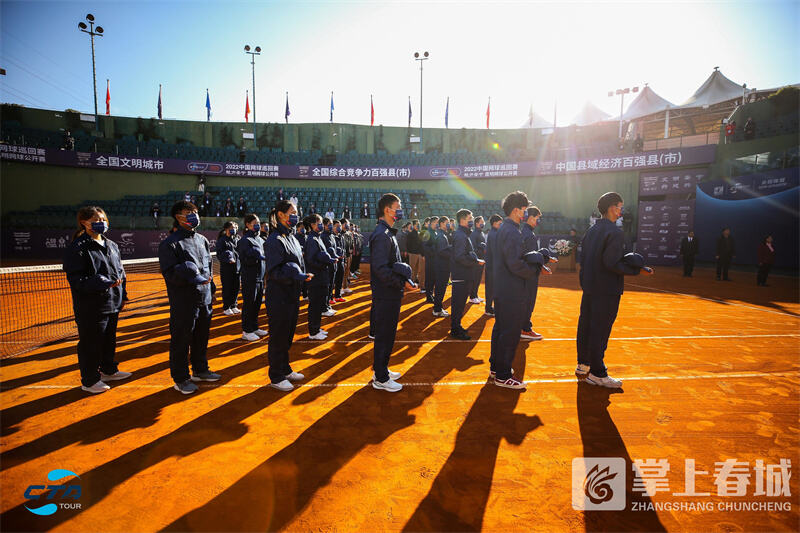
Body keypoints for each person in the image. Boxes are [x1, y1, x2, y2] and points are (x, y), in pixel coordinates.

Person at [576, 192, 653, 388]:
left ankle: (583, 364)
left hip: (590, 287)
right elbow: (611, 262)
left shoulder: (591, 231)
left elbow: (583, 261)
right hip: (607, 289)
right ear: (612, 208)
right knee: (600, 330)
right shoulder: (615, 232)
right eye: (620, 207)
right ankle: (598, 373)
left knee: (586, 326)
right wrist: (636, 270)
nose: (621, 211)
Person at [63, 206, 131, 394]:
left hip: (112, 302)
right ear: (84, 223)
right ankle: (90, 380)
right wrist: (99, 282)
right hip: (91, 306)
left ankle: (108, 370)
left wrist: (123, 295)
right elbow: (76, 279)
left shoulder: (112, 245)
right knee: (90, 344)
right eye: (96, 220)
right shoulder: (78, 248)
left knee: (109, 340)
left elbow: (121, 272)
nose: (101, 223)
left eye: (103, 219)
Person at [158, 200, 221, 394]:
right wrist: (190, 277)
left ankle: (200, 370)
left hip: (204, 299)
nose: (194, 216)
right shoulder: (170, 243)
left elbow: (208, 267)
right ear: (178, 217)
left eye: (195, 212)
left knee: (201, 337)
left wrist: (212, 290)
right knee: (181, 340)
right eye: (189, 212)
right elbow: (169, 273)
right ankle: (181, 378)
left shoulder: (202, 240)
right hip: (184, 300)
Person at [490, 191, 542, 389]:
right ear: (515, 210)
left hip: (503, 288)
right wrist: (534, 269)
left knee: (501, 329)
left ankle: (496, 368)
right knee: (510, 332)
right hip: (511, 290)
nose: (525, 213)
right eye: (523, 209)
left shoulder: (505, 229)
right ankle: (503, 375)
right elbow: (515, 264)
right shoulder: (512, 231)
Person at [263, 200, 312, 391]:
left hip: (292, 294)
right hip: (279, 296)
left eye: (296, 212)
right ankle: (276, 376)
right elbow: (274, 272)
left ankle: (285, 368)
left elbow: (298, 264)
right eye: (292, 212)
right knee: (278, 336)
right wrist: (294, 275)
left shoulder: (291, 237)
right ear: (281, 215)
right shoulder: (274, 240)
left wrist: (301, 277)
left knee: (288, 334)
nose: (295, 215)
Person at [369, 193, 415, 392]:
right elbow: (380, 268)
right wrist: (401, 283)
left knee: (387, 334)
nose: (400, 210)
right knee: (385, 335)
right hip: (386, 293)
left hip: (390, 292)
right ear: (387, 210)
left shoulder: (387, 232)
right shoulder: (382, 235)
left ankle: (381, 369)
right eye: (398, 207)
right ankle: (381, 378)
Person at [521, 206, 555, 341]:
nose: (538, 221)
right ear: (530, 218)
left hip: (526, 273)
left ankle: (523, 326)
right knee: (528, 301)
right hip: (529, 275)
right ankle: (525, 329)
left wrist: (545, 259)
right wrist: (541, 267)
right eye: (537, 218)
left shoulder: (526, 232)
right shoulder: (528, 235)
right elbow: (530, 257)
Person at [449, 209, 484, 340]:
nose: (472, 220)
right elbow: (459, 257)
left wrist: (474, 260)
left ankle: (456, 327)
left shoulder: (463, 234)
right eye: (470, 218)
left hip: (463, 275)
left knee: (460, 304)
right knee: (458, 305)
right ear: (462, 220)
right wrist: (475, 262)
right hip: (461, 275)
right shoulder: (460, 235)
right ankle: (455, 329)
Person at [303, 214, 336, 339]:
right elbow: (311, 260)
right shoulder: (312, 240)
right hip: (316, 277)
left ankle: (316, 328)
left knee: (319, 304)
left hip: (321, 276)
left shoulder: (317, 237)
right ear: (312, 225)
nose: (321, 225)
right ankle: (313, 332)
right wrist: (325, 263)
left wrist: (327, 260)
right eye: (319, 223)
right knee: (315, 305)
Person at [237, 214, 268, 341]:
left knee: (257, 304)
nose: (257, 225)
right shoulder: (245, 240)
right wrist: (254, 257)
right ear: (247, 225)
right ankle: (247, 330)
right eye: (254, 223)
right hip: (250, 277)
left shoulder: (261, 240)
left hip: (260, 278)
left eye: (258, 223)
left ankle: (254, 327)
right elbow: (244, 259)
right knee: (249, 304)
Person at [216, 221, 241, 316]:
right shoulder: (222, 240)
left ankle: (234, 305)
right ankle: (227, 307)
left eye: (235, 227)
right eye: (231, 228)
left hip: (237, 268)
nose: (233, 229)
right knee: (227, 288)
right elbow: (219, 254)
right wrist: (227, 259)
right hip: (227, 269)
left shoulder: (238, 239)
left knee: (236, 288)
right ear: (226, 229)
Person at [432, 216, 452, 317]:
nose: (448, 224)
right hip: (442, 266)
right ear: (441, 224)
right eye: (447, 222)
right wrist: (452, 253)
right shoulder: (441, 236)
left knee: (440, 288)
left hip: (442, 265)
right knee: (440, 288)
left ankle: (438, 308)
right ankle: (437, 309)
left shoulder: (442, 234)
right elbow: (442, 251)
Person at [321, 217, 340, 314]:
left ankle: (328, 305)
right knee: (326, 287)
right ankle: (323, 308)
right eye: (329, 224)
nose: (331, 226)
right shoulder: (322, 236)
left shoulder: (332, 236)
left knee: (331, 285)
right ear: (324, 225)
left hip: (333, 265)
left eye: (331, 224)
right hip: (327, 265)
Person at [484, 214, 502, 317]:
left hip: (492, 265)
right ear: (494, 223)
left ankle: (489, 307)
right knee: (491, 288)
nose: (501, 225)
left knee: (491, 288)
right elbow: (496, 252)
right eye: (500, 223)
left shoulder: (494, 233)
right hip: (493, 266)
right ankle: (489, 308)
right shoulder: (494, 234)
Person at [469, 216, 487, 304]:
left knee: (478, 278)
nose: (483, 223)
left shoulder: (481, 233)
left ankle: (475, 295)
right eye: (481, 222)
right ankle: (472, 296)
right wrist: (481, 249)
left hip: (481, 259)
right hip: (476, 260)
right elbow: (473, 249)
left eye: (483, 222)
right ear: (476, 223)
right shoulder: (474, 234)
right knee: (474, 278)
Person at [422, 217, 438, 301]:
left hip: (435, 260)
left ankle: (431, 294)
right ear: (431, 223)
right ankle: (429, 296)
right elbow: (425, 247)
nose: (437, 224)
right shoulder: (427, 233)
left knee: (434, 278)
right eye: (436, 222)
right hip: (430, 260)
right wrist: (435, 250)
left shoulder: (435, 232)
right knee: (429, 278)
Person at [406, 219, 424, 286]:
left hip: (419, 254)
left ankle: (419, 284)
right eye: (416, 224)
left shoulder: (419, 233)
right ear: (413, 225)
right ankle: (411, 283)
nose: (418, 225)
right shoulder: (410, 234)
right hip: (413, 254)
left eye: (418, 224)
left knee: (419, 270)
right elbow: (408, 244)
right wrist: (410, 252)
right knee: (412, 269)